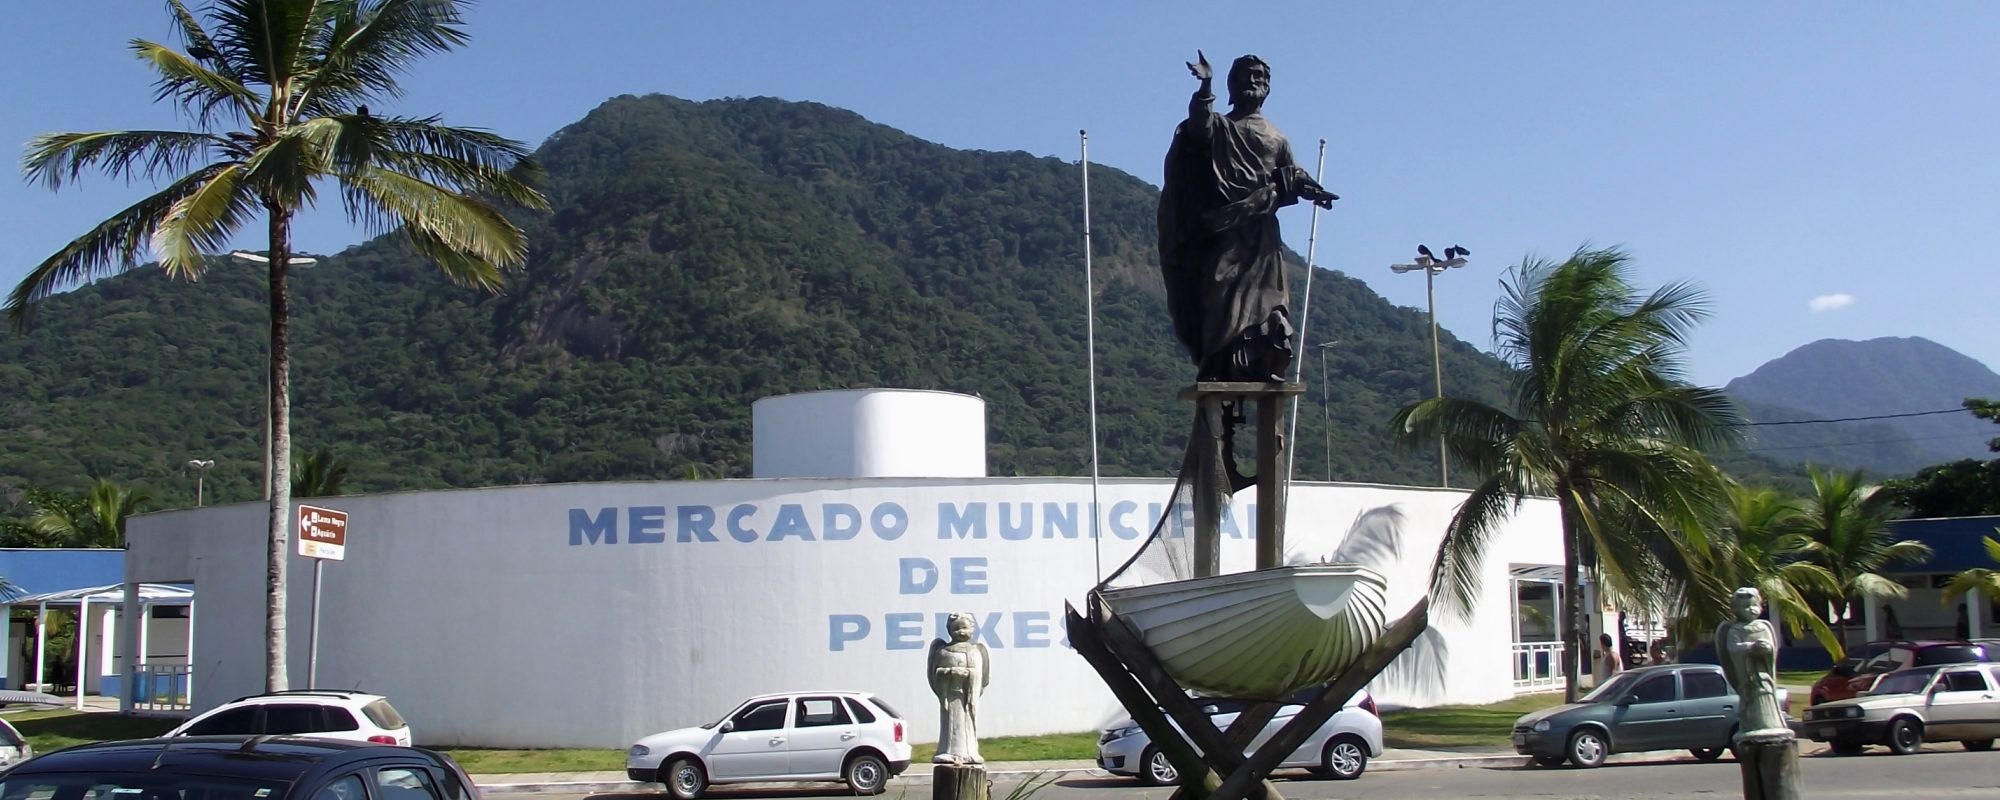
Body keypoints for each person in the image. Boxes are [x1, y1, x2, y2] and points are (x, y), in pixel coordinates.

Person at [1158, 51, 1338, 385]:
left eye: (1261, 78)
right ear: (1233, 84)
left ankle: (1264, 360)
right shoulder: (1220, 128)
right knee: (1217, 293)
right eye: (1247, 76)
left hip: (1262, 236)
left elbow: (1290, 177)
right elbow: (1198, 128)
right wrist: (1205, 86)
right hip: (1224, 231)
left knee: (1269, 303)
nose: (1255, 82)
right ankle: (1216, 361)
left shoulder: (1277, 137)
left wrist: (1312, 190)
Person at [1717, 587, 1789, 738]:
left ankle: (1770, 722)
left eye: (1754, 605)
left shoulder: (1764, 627)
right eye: (1745, 606)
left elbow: (1772, 648)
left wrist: (1766, 648)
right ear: (1736, 609)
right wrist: (1750, 647)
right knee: (1750, 697)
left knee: (1767, 693)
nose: (1751, 610)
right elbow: (1733, 649)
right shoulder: (1735, 630)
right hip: (1748, 676)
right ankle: (1752, 723)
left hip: (1764, 673)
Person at [927, 612, 991, 765]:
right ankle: (947, 751)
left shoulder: (977, 651)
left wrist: (969, 674)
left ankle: (969, 751)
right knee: (950, 724)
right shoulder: (943, 651)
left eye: (964, 627)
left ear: (973, 629)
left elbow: (983, 677)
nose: (961, 632)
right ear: (949, 630)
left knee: (968, 722)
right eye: (956, 628)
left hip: (968, 697)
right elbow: (935, 674)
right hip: (950, 696)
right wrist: (950, 672)